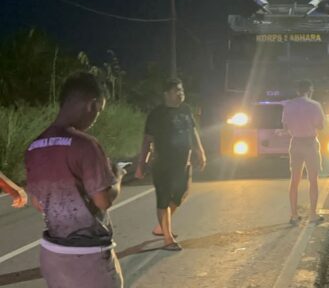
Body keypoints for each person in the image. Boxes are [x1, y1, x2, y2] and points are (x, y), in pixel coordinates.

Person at [24, 71, 126, 287]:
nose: (95, 118)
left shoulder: (34, 147)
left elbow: (38, 203)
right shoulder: (85, 144)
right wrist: (117, 178)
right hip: (87, 257)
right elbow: (103, 201)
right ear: (92, 104)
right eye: (98, 110)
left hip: (52, 255)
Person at [135, 78, 206, 251]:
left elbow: (193, 131)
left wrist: (200, 151)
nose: (181, 94)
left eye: (182, 90)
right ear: (166, 94)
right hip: (162, 163)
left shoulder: (185, 110)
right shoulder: (156, 114)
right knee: (164, 198)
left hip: (183, 161)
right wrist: (141, 164)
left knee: (182, 193)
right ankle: (168, 239)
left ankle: (161, 226)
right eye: (177, 91)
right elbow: (147, 140)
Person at [281, 79, 325, 225]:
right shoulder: (315, 105)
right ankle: (313, 214)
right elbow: (321, 126)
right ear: (310, 90)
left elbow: (285, 127)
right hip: (310, 143)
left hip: (295, 143)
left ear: (297, 90)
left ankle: (294, 215)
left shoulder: (288, 105)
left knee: (294, 180)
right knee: (313, 180)